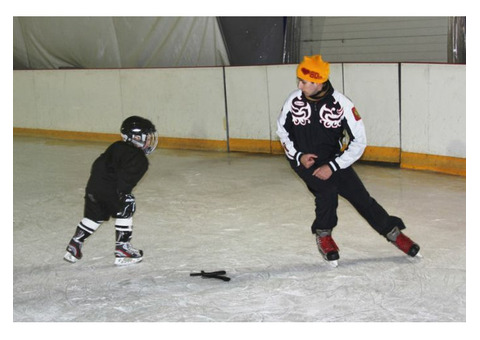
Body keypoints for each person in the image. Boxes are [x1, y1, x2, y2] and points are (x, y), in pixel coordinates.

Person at [276, 55, 420, 266]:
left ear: (318, 82)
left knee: (362, 198)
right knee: (327, 192)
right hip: (303, 160)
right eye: (299, 80)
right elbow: (282, 130)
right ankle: (324, 234)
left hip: (334, 160)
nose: (299, 85)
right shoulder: (294, 100)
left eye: (304, 81)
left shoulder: (342, 104)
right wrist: (298, 156)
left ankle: (393, 232)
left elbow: (359, 141)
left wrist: (333, 165)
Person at [64, 116, 158, 266]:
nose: (149, 141)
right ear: (136, 137)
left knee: (95, 216)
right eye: (147, 137)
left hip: (93, 187)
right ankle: (123, 248)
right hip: (109, 189)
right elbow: (124, 184)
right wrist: (123, 196)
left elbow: (98, 165)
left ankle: (74, 244)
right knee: (127, 204)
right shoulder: (140, 159)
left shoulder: (116, 145)